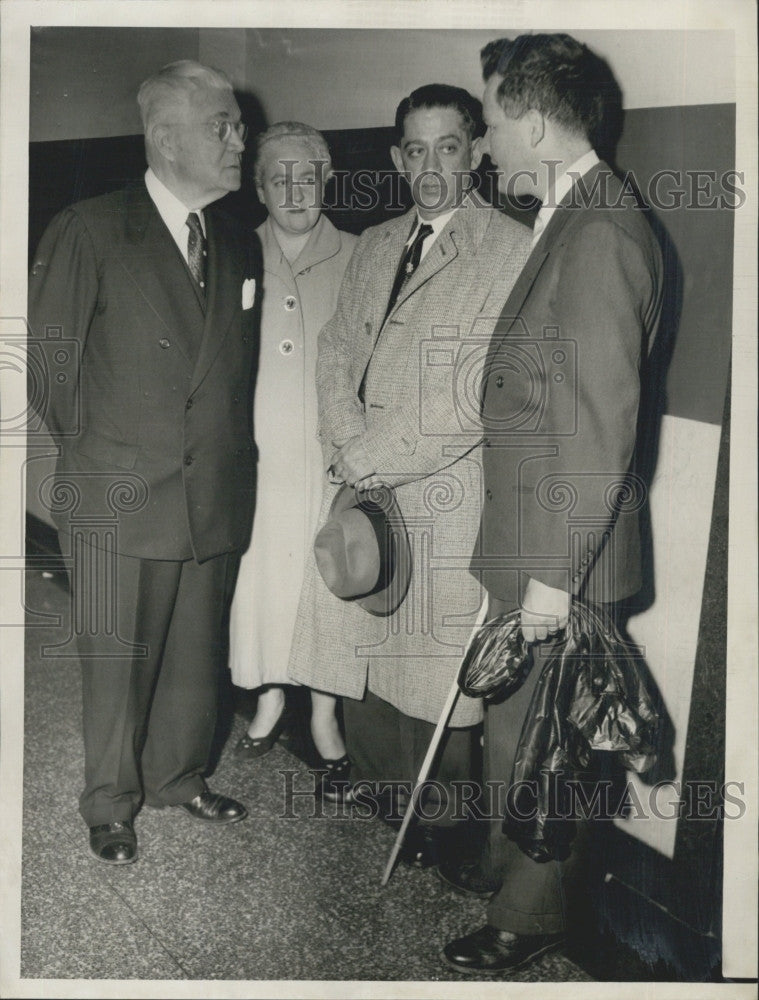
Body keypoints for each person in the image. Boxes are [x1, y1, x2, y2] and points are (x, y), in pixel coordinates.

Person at [440, 34, 664, 975]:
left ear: (531, 119)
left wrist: (547, 584)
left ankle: (528, 921)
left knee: (549, 749)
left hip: (558, 553)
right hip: (534, 540)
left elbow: (596, 429)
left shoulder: (601, 230)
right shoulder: (567, 213)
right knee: (514, 732)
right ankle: (506, 867)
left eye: (489, 119)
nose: (485, 141)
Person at [287, 84, 531, 861]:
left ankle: (435, 824)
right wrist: (347, 437)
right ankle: (378, 785)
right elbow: (333, 352)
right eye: (415, 150)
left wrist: (373, 455)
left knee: (427, 663)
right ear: (397, 157)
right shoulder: (375, 241)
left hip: (438, 489)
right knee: (362, 631)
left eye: (448, 147)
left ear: (478, 151)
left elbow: (471, 390)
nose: (430, 167)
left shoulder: (508, 249)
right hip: (363, 480)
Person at [27, 60, 261, 865]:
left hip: (214, 493)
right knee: (117, 663)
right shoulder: (91, 227)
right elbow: (49, 370)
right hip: (121, 493)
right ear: (164, 140)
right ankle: (110, 801)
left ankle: (177, 775)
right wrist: (112, 455)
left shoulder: (236, 240)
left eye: (237, 125)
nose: (241, 140)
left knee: (197, 654)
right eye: (222, 127)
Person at [228, 123, 357, 767]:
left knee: (326, 581)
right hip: (259, 455)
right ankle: (273, 696)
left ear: (326, 181)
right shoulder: (235, 253)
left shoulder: (361, 255)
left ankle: (326, 710)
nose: (295, 190)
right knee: (265, 579)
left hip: (331, 458)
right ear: (259, 187)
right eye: (280, 178)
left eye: (307, 176)